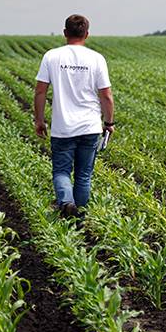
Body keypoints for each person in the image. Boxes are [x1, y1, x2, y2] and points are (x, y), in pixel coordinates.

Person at [34, 14, 114, 218]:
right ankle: (80, 217)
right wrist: (109, 122)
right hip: (90, 127)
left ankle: (67, 203)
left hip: (63, 128)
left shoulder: (51, 56)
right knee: (83, 175)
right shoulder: (96, 58)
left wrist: (40, 120)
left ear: (64, 33)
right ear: (87, 34)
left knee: (61, 172)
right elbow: (106, 95)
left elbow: (40, 91)